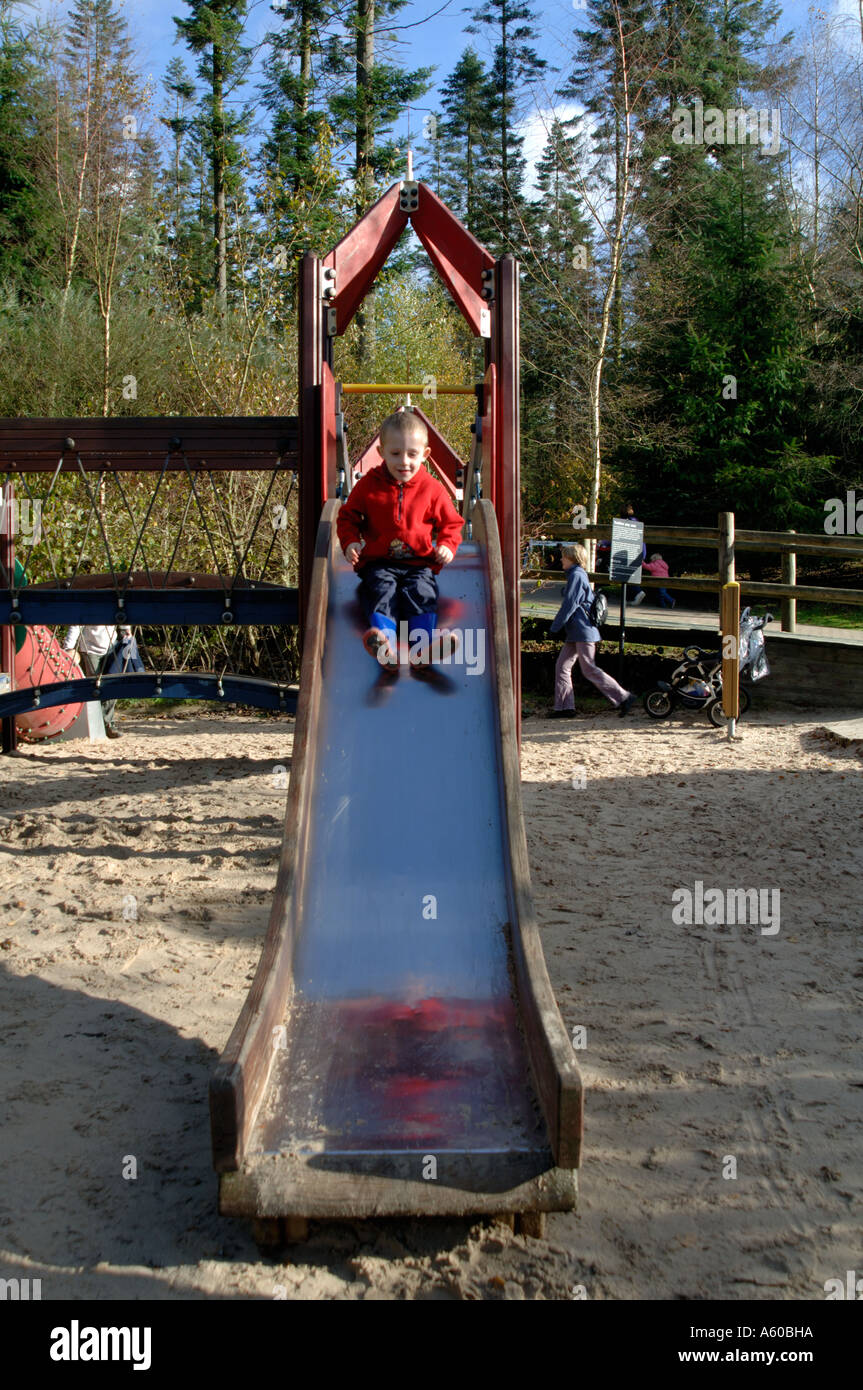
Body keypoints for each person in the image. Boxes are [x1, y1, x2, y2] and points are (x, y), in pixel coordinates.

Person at [336, 409, 465, 671]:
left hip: (419, 563)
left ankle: (422, 649)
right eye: (395, 453)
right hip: (378, 562)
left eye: (412, 454)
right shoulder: (369, 485)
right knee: (381, 590)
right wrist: (350, 542)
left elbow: (452, 522)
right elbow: (347, 516)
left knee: (422, 592)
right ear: (382, 452)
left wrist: (447, 545)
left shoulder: (432, 489)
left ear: (425, 455)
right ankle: (386, 646)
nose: (404, 461)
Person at [550, 544, 636, 717]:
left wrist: (555, 626)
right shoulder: (577, 575)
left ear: (572, 558)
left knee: (589, 668)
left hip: (582, 631)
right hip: (577, 631)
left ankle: (624, 697)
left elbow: (570, 604)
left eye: (564, 556)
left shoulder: (576, 575)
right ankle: (565, 707)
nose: (561, 559)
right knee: (562, 666)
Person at [62, 623, 128, 737]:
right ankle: (99, 724)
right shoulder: (86, 606)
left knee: (113, 685)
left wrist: (126, 630)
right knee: (95, 687)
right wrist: (69, 647)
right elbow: (76, 624)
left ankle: (107, 723)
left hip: (111, 648)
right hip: (90, 649)